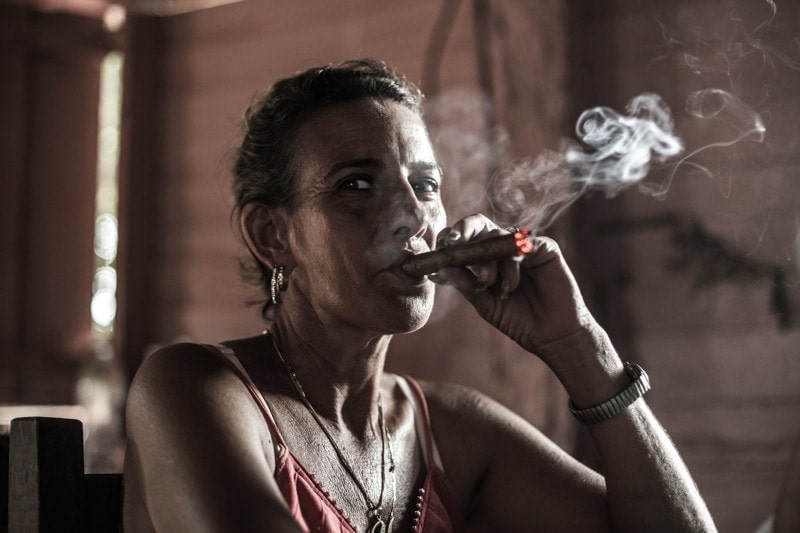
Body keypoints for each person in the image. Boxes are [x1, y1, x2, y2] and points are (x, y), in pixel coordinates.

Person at [122, 59, 717, 532]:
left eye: (426, 185)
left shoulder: (451, 430)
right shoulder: (192, 388)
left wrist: (580, 345)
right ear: (273, 236)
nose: (413, 214)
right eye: (357, 185)